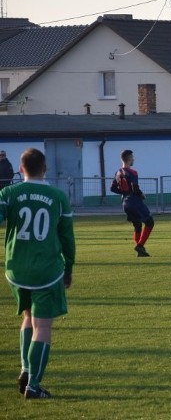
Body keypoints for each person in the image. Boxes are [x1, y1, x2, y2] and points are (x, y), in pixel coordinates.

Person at [0, 148, 75, 399]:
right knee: (43, 326)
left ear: (20, 169)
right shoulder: (57, 196)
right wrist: (70, 265)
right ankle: (33, 385)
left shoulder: (8, 193)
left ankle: (24, 368)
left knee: (27, 316)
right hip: (47, 271)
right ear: (45, 168)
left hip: (16, 270)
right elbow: (66, 236)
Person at [113, 150, 154, 257]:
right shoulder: (132, 172)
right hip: (134, 201)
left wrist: (124, 192)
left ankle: (140, 250)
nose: (133, 159)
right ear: (129, 158)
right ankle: (140, 245)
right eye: (132, 158)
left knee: (137, 226)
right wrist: (141, 195)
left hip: (125, 203)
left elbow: (112, 188)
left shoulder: (117, 172)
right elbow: (135, 188)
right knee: (150, 222)